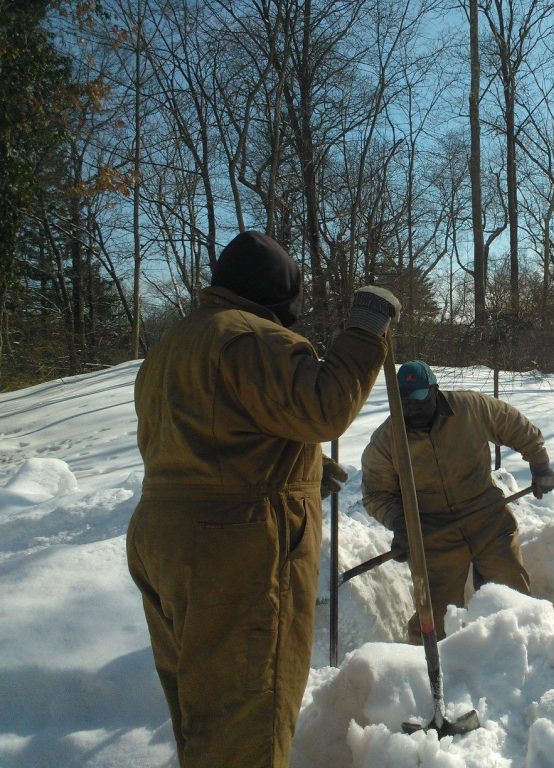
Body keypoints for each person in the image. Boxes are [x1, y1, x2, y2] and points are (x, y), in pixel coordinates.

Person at [127, 230, 400, 767]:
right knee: (247, 716)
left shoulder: (177, 344)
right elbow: (324, 407)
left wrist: (299, 470)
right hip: (235, 551)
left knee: (204, 708)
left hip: (166, 540)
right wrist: (366, 330)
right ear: (280, 296)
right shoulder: (250, 337)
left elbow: (208, 438)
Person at [360, 360, 554, 642]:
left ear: (434, 391)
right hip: (433, 533)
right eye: (405, 402)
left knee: (513, 600)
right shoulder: (387, 439)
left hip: (487, 515)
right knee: (434, 624)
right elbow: (376, 493)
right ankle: (423, 676)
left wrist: (540, 466)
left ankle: (523, 655)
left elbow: (516, 427)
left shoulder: (469, 408)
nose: (412, 409)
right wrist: (402, 525)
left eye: (419, 399)